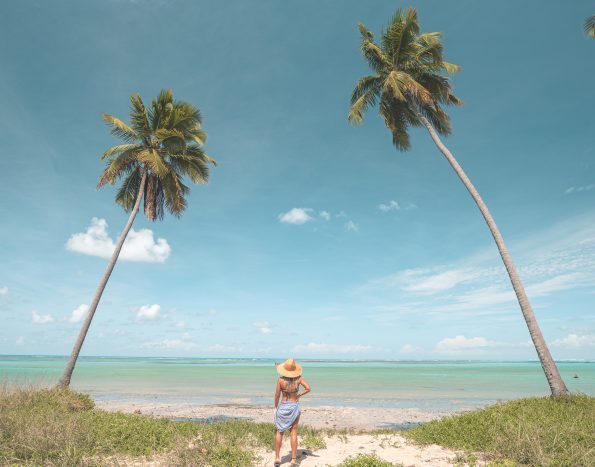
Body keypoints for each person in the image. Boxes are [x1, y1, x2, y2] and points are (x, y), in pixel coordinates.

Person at [274, 358, 311, 466]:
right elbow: (308, 388)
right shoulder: (299, 379)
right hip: (294, 406)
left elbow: (277, 395)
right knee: (293, 432)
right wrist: (299, 395)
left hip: (283, 406)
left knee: (279, 431)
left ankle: (277, 458)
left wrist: (276, 407)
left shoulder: (280, 380)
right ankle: (294, 459)